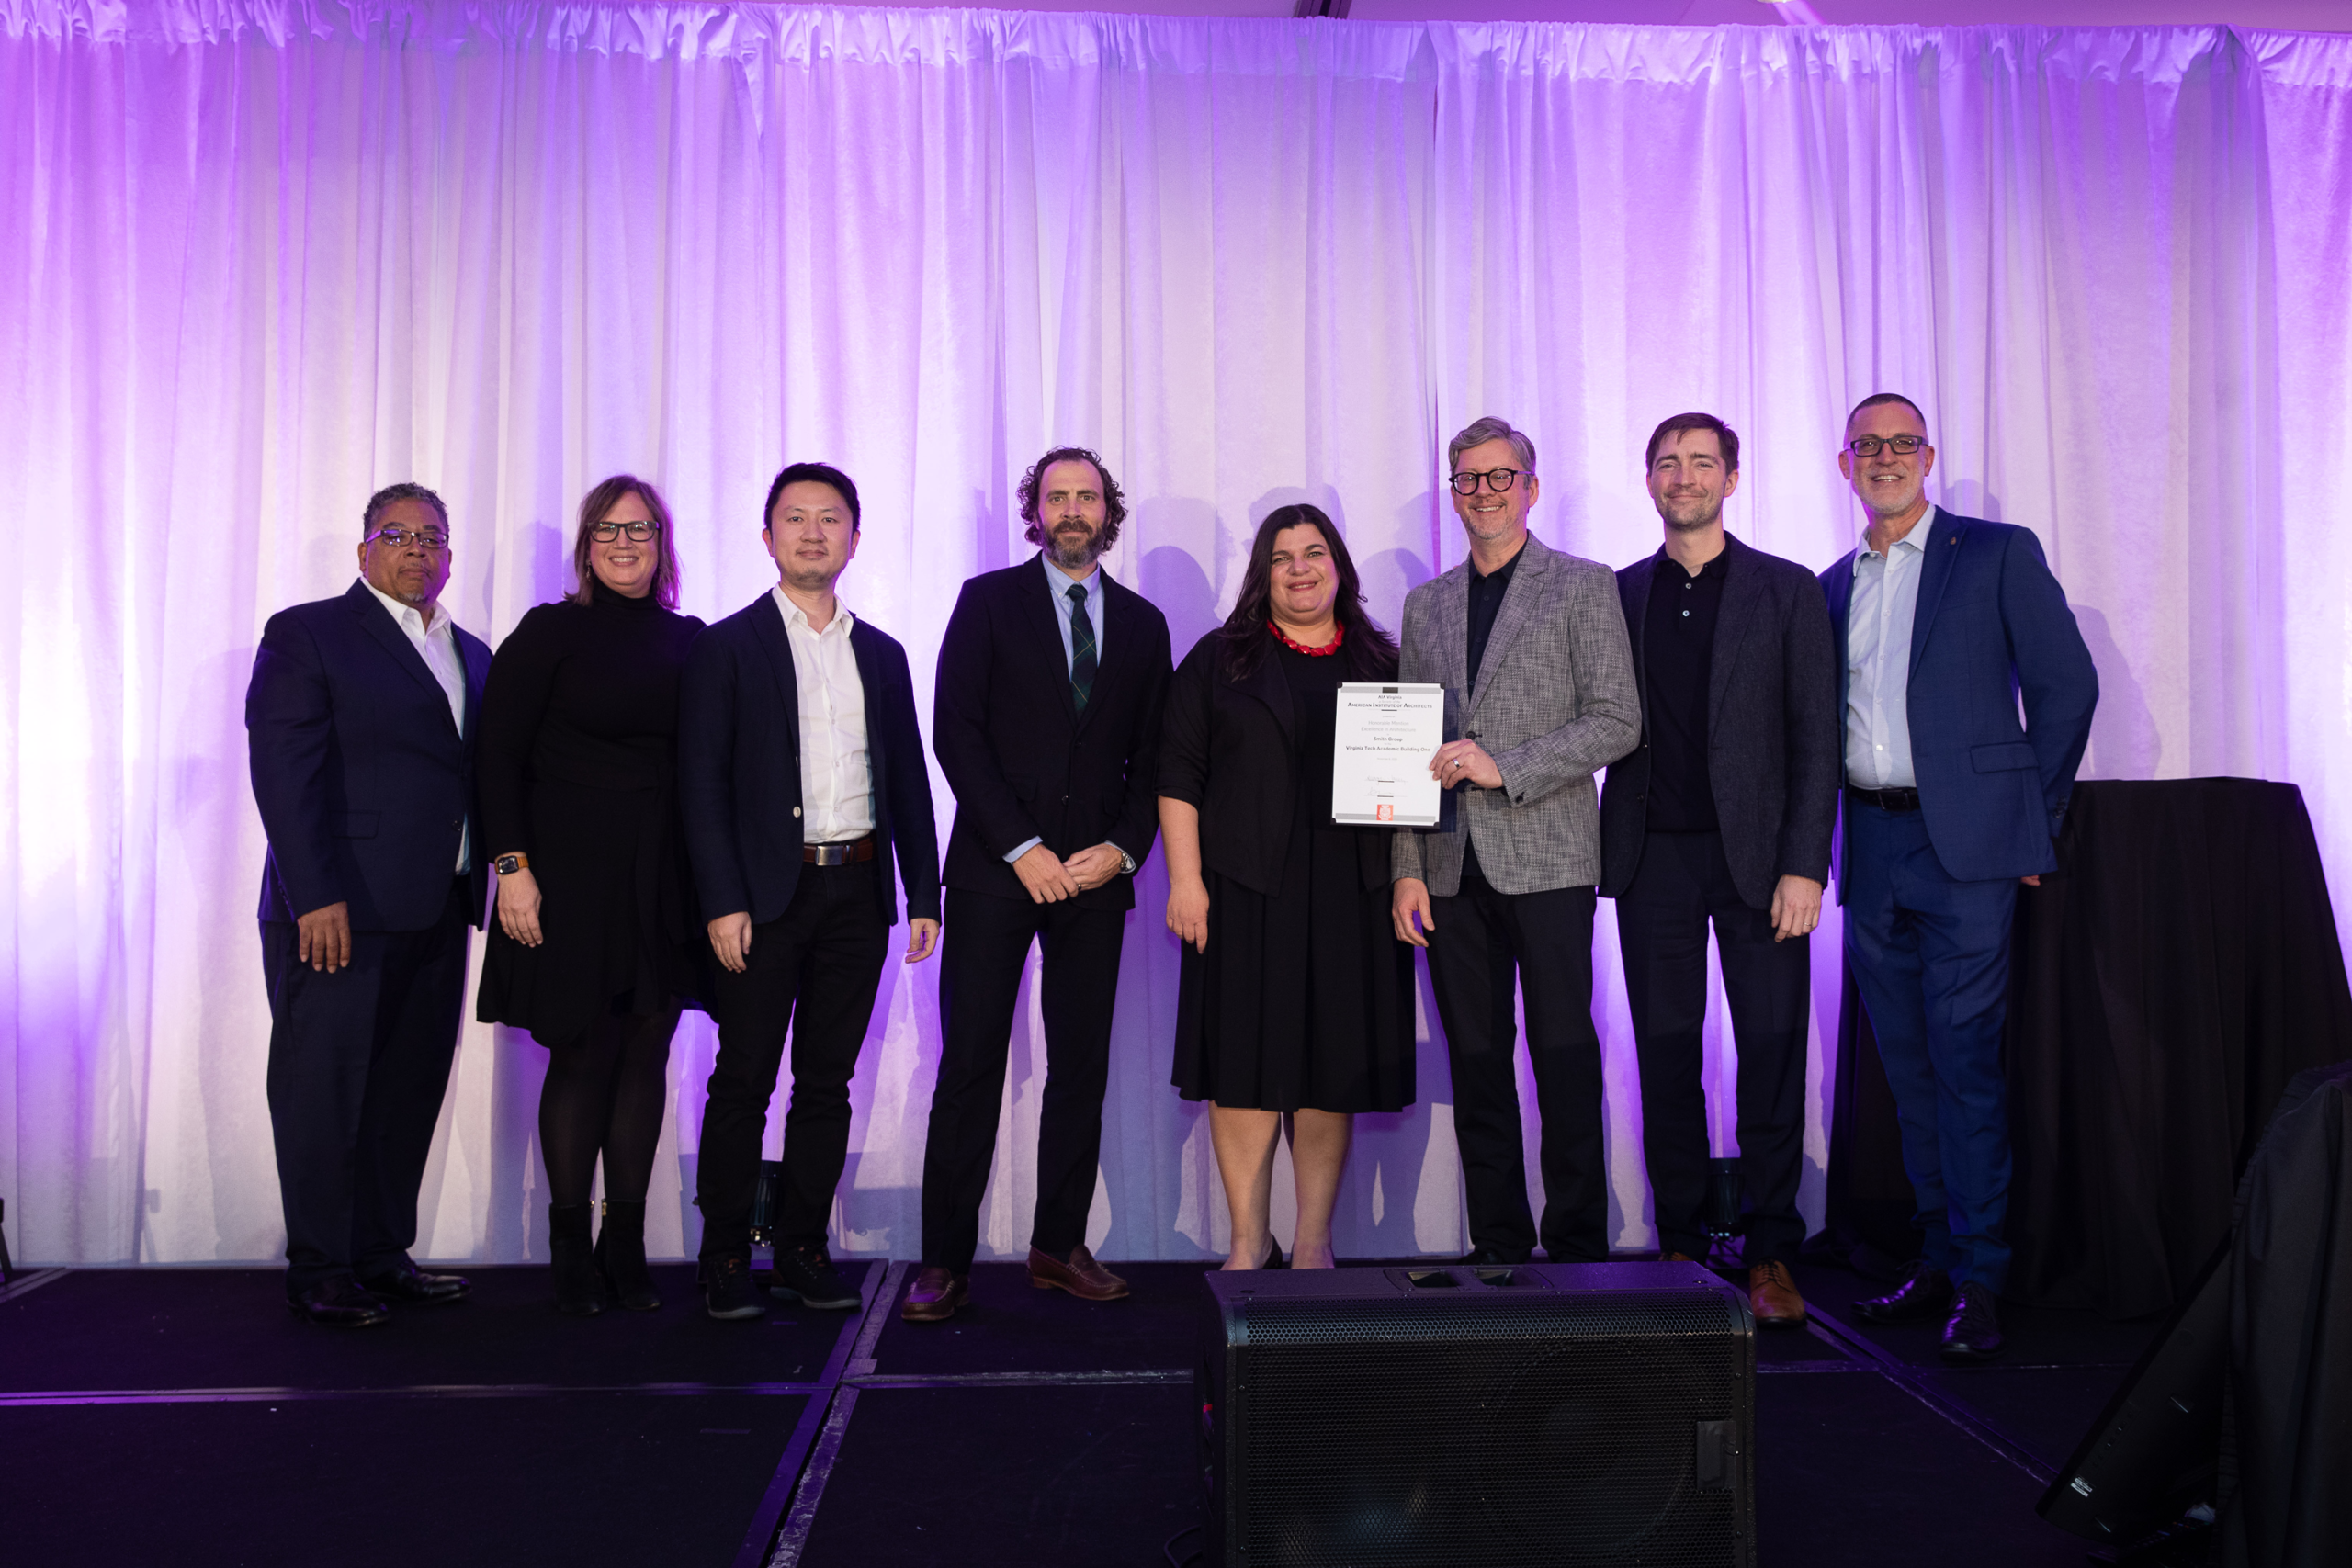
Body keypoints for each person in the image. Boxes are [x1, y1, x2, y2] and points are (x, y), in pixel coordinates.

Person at [1821, 393, 2097, 1361]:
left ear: (1928, 457)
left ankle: (1982, 1274)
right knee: (1906, 1071)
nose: (1885, 457)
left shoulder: (1995, 552)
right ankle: (1937, 1256)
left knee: (1965, 1063)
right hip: (1871, 845)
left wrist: (2032, 822)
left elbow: (2067, 686)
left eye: (1903, 442)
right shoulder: (1832, 584)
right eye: (1867, 445)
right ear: (1844, 463)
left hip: (1971, 851)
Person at [903, 447, 1171, 1324]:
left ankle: (1059, 1245)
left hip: (1095, 876)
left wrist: (1122, 850)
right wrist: (1020, 845)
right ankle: (943, 1261)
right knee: (970, 1065)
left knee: (1080, 1067)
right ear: (1036, 511)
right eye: (1057, 496)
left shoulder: (1144, 625)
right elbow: (956, 731)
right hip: (995, 870)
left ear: (1108, 512)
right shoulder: (986, 601)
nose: (1072, 509)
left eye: (1087, 496)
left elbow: (1155, 758)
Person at [678, 462, 942, 1321]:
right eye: (795, 518)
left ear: (854, 540)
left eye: (831, 519)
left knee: (827, 1082)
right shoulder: (726, 646)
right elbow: (701, 785)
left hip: (856, 893)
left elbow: (907, 780)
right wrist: (722, 899)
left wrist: (923, 891)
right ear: (767, 537)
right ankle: (724, 1252)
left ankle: (800, 1246)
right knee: (743, 1078)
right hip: (762, 900)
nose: (813, 533)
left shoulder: (883, 654)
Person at [1599, 413, 1839, 1328]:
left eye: (1702, 462)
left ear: (1731, 479)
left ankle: (1771, 1249)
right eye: (1668, 462)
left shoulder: (1785, 589)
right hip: (1651, 855)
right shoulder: (1620, 593)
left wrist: (1804, 865)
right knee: (1665, 1055)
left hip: (1763, 864)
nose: (1684, 476)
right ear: (1648, 480)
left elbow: (1815, 736)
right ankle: (1681, 1245)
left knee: (1771, 1053)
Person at [1392, 416, 1640, 1265]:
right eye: (1469, 478)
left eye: (1502, 476)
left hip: (1551, 859)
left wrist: (1508, 766)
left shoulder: (1583, 585)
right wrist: (1406, 869)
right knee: (1476, 1059)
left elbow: (1617, 719)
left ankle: (1576, 1245)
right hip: (1448, 867)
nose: (1485, 492)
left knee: (1564, 1054)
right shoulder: (1426, 604)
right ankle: (1498, 1241)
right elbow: (1409, 744)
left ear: (1531, 487)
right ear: (1453, 493)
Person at [246, 482, 491, 1326]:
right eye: (397, 533)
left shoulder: (471, 651)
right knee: (323, 1092)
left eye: (433, 536)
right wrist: (315, 896)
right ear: (364, 551)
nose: (417, 548)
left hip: (439, 905)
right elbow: (284, 774)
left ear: (449, 555)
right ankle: (319, 1267)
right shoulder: (308, 633)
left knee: (405, 1091)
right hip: (338, 912)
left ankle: (383, 1255)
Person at [1159, 505, 1416, 1271]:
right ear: (1262, 574)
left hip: (1352, 894)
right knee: (1242, 1063)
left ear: (1339, 565)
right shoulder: (1220, 658)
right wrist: (1184, 880)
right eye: (1281, 557)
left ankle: (1311, 1244)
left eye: (1313, 552)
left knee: (1330, 1068)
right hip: (1241, 891)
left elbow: (1410, 789)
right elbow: (1178, 773)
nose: (1299, 569)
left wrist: (1407, 876)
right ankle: (1247, 1243)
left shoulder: (1384, 663)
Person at [474, 476, 707, 1316]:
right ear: (585, 545)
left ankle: (626, 1242)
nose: (623, 543)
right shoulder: (549, 632)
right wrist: (511, 867)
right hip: (564, 875)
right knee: (581, 1050)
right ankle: (570, 1246)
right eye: (607, 529)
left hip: (662, 873)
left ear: (662, 543)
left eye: (639, 529)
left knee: (646, 1050)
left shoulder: (691, 640)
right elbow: (495, 755)